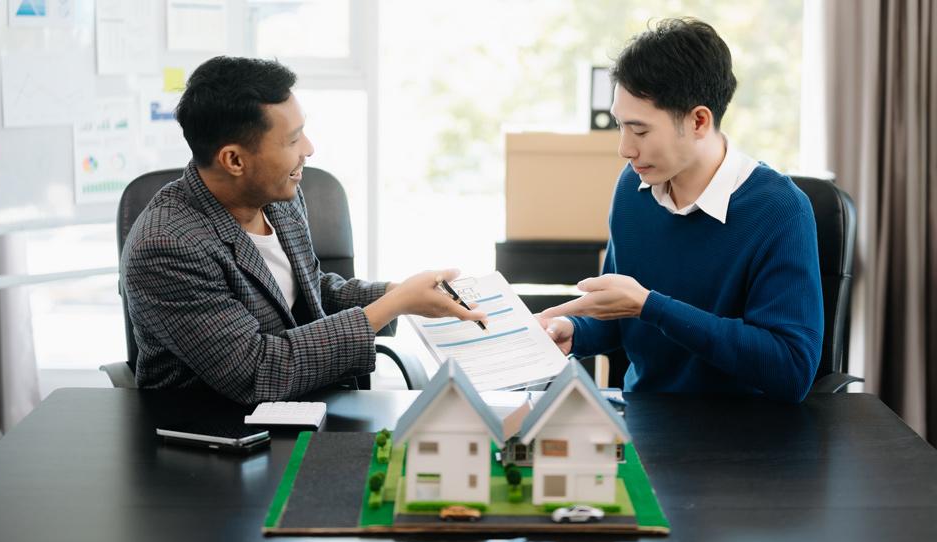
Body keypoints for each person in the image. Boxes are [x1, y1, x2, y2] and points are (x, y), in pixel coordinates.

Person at [121, 56, 485, 404]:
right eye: (293, 140)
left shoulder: (280, 197)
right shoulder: (166, 245)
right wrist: (393, 304)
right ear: (234, 160)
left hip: (303, 405)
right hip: (214, 433)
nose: (309, 149)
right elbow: (256, 370)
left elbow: (309, 293)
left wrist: (397, 293)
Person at [538, 18, 823, 403]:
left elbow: (791, 369)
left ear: (699, 121)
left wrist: (653, 307)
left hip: (749, 438)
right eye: (620, 127)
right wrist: (574, 330)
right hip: (647, 422)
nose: (625, 148)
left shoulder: (780, 211)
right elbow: (624, 316)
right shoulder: (632, 188)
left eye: (640, 131)